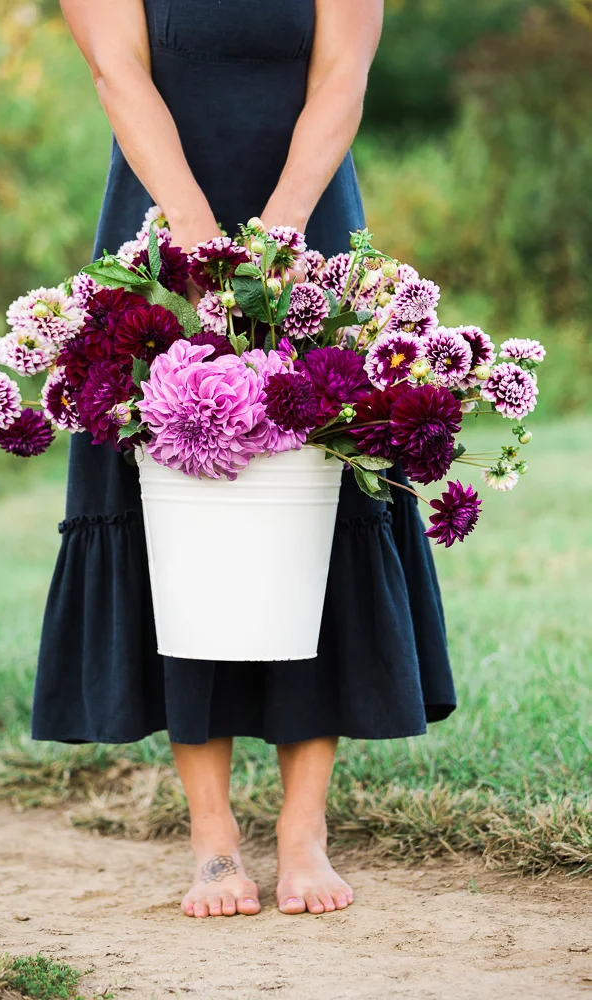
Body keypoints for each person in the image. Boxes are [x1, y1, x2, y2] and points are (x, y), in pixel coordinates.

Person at [34, 0, 456, 918]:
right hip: (158, 231)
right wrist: (193, 233)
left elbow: (342, 73)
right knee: (182, 516)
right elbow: (118, 73)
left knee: (316, 507)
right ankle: (213, 839)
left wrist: (279, 238)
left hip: (308, 228)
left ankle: (304, 834)